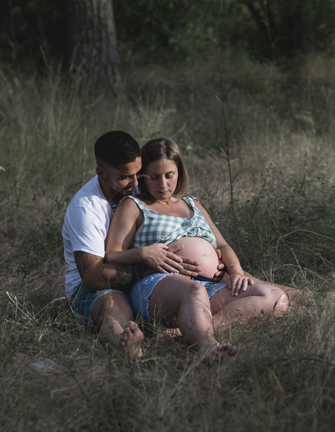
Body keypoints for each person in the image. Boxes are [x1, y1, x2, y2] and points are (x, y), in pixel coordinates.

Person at [105, 138, 292, 361]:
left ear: (179, 172)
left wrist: (236, 272)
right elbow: (112, 254)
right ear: (142, 176)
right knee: (194, 292)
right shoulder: (134, 205)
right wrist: (144, 253)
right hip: (157, 284)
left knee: (275, 296)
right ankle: (208, 346)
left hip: (208, 284)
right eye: (154, 177)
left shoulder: (192, 204)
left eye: (169, 175)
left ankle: (181, 331)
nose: (163, 184)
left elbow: (221, 245)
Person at [62, 131, 203, 360]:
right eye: (126, 177)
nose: (136, 183)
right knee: (111, 303)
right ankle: (125, 342)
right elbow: (92, 277)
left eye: (139, 173)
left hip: (147, 279)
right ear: (101, 173)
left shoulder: (136, 186)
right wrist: (151, 265)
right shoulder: (86, 209)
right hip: (96, 289)